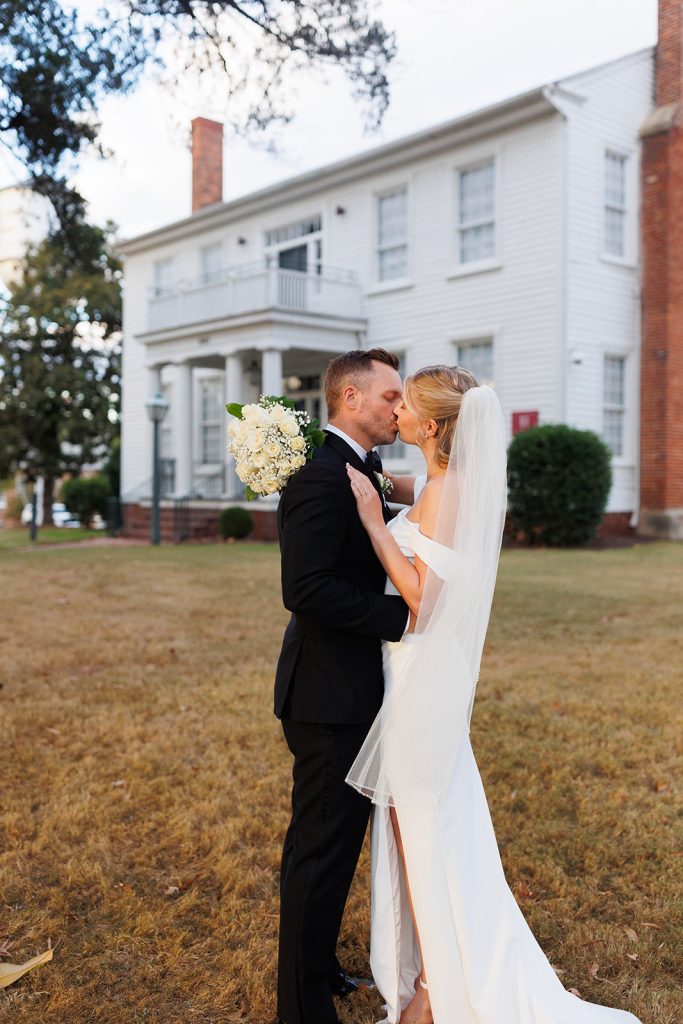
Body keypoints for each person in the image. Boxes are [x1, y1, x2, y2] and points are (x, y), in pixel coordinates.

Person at [345, 365, 642, 1024]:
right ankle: (431, 965)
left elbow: (423, 601)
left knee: (422, 818)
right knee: (424, 817)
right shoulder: (439, 483)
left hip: (419, 671)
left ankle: (436, 986)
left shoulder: (447, 494)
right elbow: (413, 491)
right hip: (411, 672)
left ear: (431, 424)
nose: (393, 411)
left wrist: (372, 523)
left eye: (405, 405)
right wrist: (369, 479)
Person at [273, 349, 411, 1024]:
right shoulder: (319, 476)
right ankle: (300, 1006)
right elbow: (303, 589)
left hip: (356, 692)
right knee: (318, 851)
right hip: (325, 697)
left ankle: (319, 966)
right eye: (389, 397)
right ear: (350, 399)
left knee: (334, 850)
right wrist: (400, 618)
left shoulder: (367, 468)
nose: (399, 407)